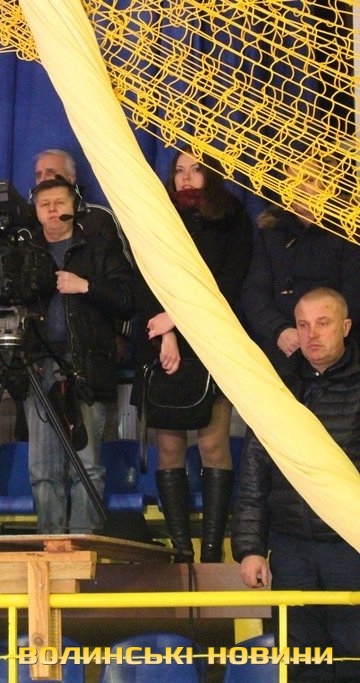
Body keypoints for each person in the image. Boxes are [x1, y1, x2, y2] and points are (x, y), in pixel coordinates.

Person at [233, 287, 360, 681]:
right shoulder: (277, 386)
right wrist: (251, 549)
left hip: (349, 547)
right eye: (303, 325)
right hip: (290, 549)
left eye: (322, 323)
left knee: (353, 660)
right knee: (299, 663)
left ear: (346, 327)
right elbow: (254, 470)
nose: (311, 334)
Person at [137, 150, 252, 560]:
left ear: (212, 175)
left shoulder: (232, 217)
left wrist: (178, 319)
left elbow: (230, 283)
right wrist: (166, 333)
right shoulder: (158, 217)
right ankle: (181, 551)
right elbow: (145, 279)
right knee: (169, 448)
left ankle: (211, 553)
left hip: (212, 337)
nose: (186, 178)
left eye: (196, 170)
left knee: (213, 444)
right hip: (163, 342)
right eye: (179, 171)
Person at [24, 178, 134, 534]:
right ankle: (50, 545)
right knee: (43, 468)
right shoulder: (28, 252)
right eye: (44, 205)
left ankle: (83, 544)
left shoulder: (99, 247)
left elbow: (127, 299)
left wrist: (85, 286)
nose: (52, 209)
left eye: (59, 202)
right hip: (39, 366)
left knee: (87, 464)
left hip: (86, 364)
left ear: (76, 206)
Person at [241, 156, 360, 375]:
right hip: (284, 347)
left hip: (342, 349)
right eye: (291, 180)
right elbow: (255, 292)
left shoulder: (350, 230)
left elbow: (354, 292)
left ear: (328, 183)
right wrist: (279, 330)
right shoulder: (270, 231)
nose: (299, 188)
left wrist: (320, 332)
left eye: (308, 179)